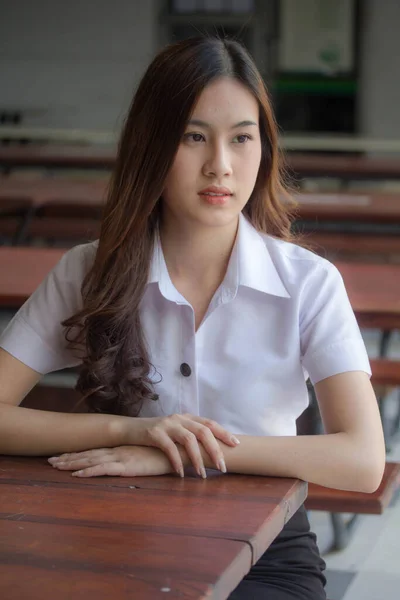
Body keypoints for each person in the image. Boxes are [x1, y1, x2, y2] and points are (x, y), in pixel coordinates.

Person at [0, 36, 384, 599]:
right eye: (193, 136)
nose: (220, 166)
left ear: (264, 149)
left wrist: (182, 455)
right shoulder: (89, 270)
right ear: (152, 145)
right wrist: (132, 431)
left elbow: (363, 459)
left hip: (266, 552)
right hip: (114, 532)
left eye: (242, 139)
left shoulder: (308, 283)